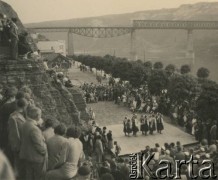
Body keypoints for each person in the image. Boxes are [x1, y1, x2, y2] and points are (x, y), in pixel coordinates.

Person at [19, 105, 47, 180]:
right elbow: (39, 145)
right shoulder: (34, 129)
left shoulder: (24, 124)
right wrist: (45, 151)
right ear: (37, 116)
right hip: (36, 157)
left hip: (26, 154)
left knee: (29, 175)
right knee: (38, 176)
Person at [8, 98, 27, 179]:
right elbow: (15, 134)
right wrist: (17, 146)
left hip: (18, 144)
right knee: (19, 166)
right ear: (25, 106)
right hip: (18, 146)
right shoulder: (15, 118)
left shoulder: (15, 115)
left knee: (19, 165)